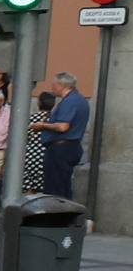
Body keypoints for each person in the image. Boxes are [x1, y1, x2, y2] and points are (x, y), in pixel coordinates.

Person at [43, 70, 91, 198]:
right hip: (69, 146)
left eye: (53, 84)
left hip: (61, 147)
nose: (52, 87)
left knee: (55, 189)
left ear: (61, 85)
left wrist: (42, 125)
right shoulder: (79, 100)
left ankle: (58, 217)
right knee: (62, 186)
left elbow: (63, 126)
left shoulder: (70, 101)